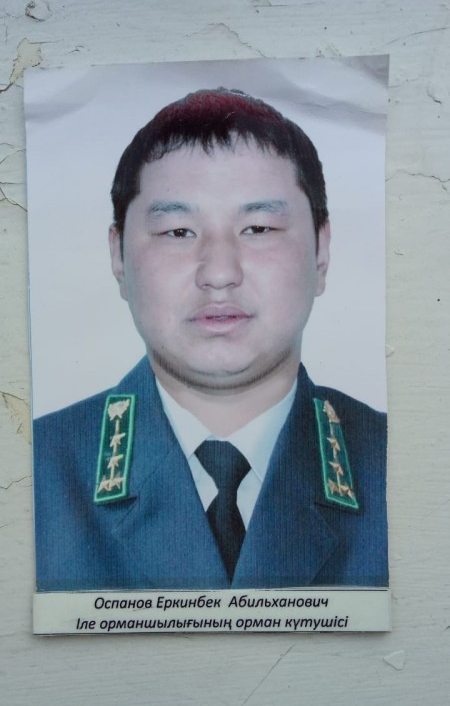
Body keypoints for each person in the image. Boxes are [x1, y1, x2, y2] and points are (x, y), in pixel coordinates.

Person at [33, 87, 388, 592]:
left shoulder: (405, 467)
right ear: (118, 257)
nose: (219, 273)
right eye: (178, 232)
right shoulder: (34, 470)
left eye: (259, 228)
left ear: (321, 251)